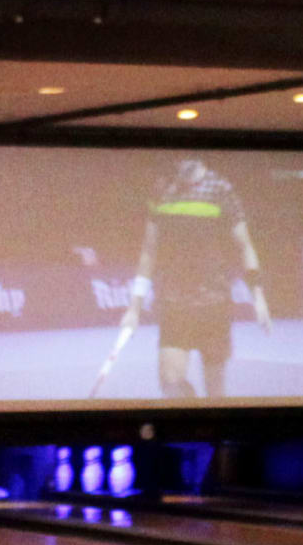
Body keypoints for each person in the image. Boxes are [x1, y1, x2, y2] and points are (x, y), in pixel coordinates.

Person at [106, 158, 262, 401]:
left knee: (215, 391)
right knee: (170, 382)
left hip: (214, 304)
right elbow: (149, 252)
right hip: (174, 303)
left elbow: (244, 245)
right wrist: (134, 308)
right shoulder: (163, 190)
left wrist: (259, 298)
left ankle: (210, 432)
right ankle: (191, 417)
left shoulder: (220, 189)